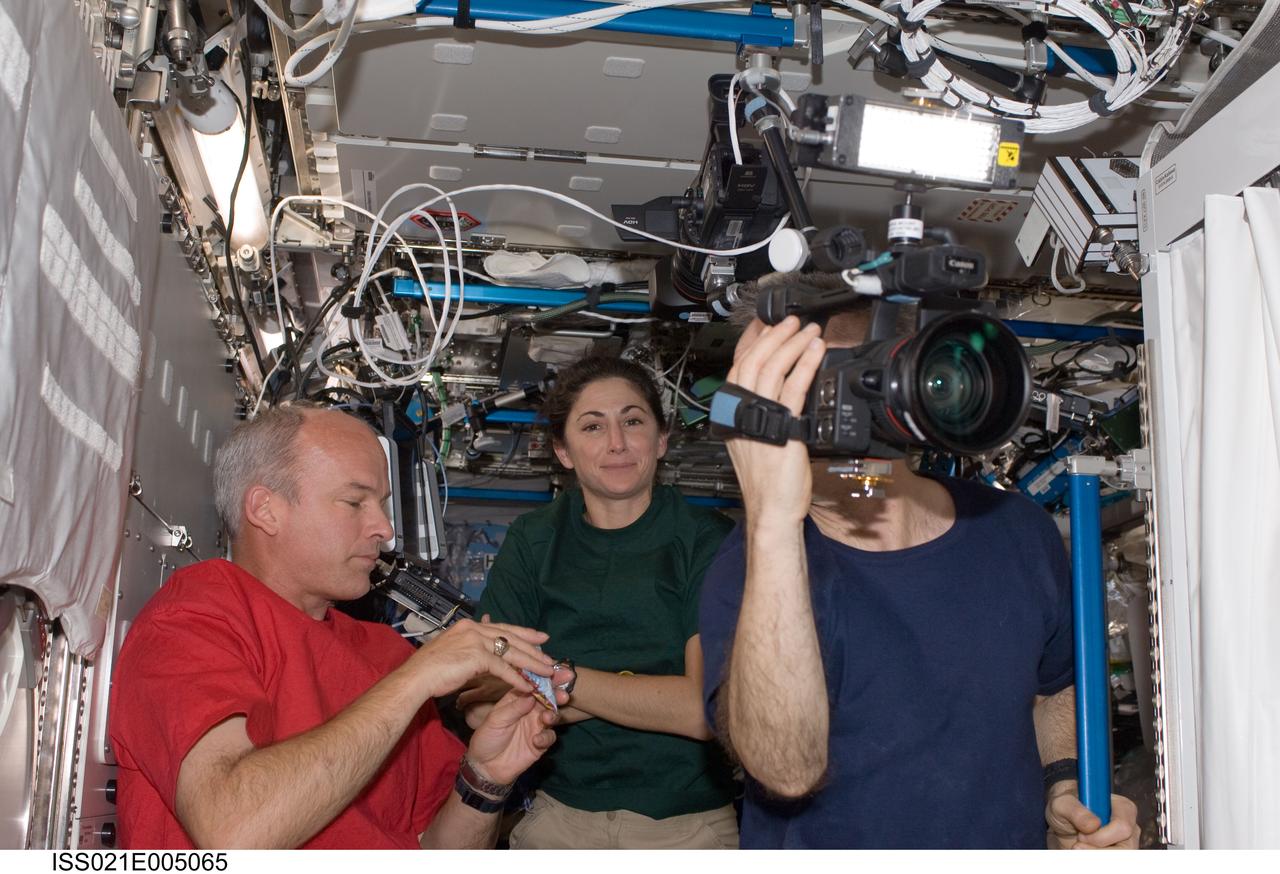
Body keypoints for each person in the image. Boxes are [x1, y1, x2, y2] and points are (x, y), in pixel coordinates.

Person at [698, 308, 1142, 849]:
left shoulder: (1015, 530)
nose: (855, 410)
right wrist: (771, 517)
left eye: (875, 375)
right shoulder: (753, 562)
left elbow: (1058, 687)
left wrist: (1064, 784)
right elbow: (785, 769)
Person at [108, 403, 570, 849]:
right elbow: (233, 831)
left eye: (384, 504)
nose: (386, 529)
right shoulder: (191, 620)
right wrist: (416, 681)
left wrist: (484, 779)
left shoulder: (384, 652)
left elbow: (438, 849)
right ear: (266, 509)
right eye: (355, 501)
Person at [460, 355, 739, 849]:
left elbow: (702, 711)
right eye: (593, 426)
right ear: (563, 451)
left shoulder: (707, 540)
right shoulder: (534, 539)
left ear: (662, 440)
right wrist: (640, 686)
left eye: (633, 421)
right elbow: (483, 707)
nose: (617, 442)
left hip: (687, 828)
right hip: (556, 818)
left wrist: (562, 680)